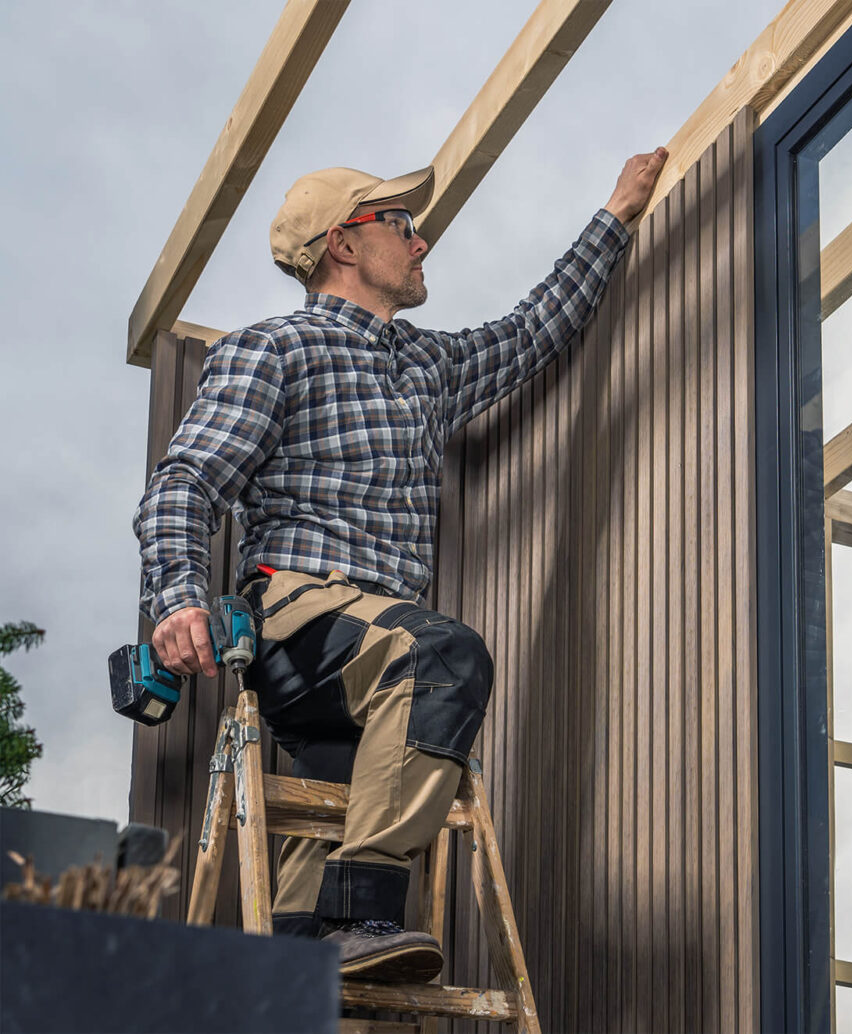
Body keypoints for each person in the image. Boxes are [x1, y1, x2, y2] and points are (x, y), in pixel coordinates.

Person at [133, 148, 667, 982]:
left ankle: (306, 956)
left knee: (312, 945)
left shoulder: (427, 366)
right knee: (443, 656)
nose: (421, 243)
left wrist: (617, 215)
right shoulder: (275, 349)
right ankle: (363, 910)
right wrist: (176, 600)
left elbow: (535, 330)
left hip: (375, 662)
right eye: (402, 225)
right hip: (299, 619)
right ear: (344, 245)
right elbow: (186, 481)